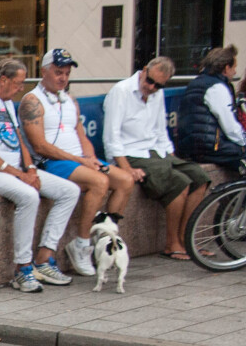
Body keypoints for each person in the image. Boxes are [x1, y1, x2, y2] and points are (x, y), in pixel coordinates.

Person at [0, 58, 79, 292]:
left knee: (69, 191)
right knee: (29, 196)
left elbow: (19, 139)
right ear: (3, 80)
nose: (21, 88)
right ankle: (22, 269)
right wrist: (19, 175)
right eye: (18, 83)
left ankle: (44, 258)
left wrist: (30, 168)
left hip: (13, 171)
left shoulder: (5, 100)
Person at [19, 48, 135, 276]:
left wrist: (90, 158)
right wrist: (80, 160)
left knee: (125, 180)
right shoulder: (32, 100)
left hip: (78, 160)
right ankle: (82, 245)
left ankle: (104, 241)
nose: (62, 78)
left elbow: (82, 136)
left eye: (66, 74)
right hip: (52, 162)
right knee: (100, 182)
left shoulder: (69, 99)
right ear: (44, 71)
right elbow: (40, 146)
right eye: (58, 72)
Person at [104, 56, 210, 260]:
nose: (152, 87)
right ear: (144, 71)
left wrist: (171, 156)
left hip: (155, 151)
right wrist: (126, 167)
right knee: (179, 182)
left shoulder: (156, 94)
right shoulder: (122, 91)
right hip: (131, 153)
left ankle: (185, 239)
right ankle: (172, 244)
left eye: (158, 85)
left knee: (199, 177)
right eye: (150, 81)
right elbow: (112, 136)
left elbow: (161, 131)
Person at [175, 45, 245, 172]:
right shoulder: (217, 88)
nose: (235, 72)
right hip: (209, 147)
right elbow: (230, 127)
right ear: (226, 67)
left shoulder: (198, 83)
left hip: (190, 146)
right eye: (234, 67)